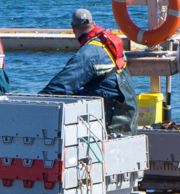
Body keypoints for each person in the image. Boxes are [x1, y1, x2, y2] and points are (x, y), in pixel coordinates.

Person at [39, 8, 138, 136]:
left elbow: (61, 85)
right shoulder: (106, 42)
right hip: (128, 114)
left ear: (73, 28)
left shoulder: (87, 55)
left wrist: (36, 103)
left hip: (114, 122)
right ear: (93, 23)